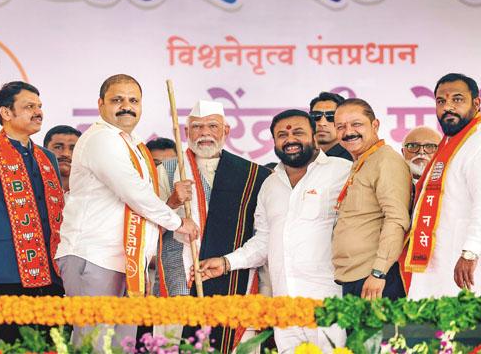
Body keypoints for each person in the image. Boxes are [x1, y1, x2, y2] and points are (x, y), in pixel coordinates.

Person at [54, 74, 198, 347]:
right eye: (117, 100)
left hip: (126, 263)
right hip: (94, 257)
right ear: (100, 104)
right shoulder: (101, 139)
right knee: (93, 345)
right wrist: (177, 222)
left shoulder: (134, 145)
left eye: (133, 100)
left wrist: (171, 204)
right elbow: (131, 190)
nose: (126, 106)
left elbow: (134, 204)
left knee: (121, 346)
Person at [196, 109, 351, 352]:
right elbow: (264, 241)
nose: (290, 140)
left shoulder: (342, 171)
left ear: (314, 136)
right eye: (282, 135)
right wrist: (227, 263)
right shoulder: (270, 184)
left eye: (298, 132)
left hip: (328, 302)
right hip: (284, 305)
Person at [157, 99, 271, 353]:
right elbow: (149, 225)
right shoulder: (168, 170)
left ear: (226, 131)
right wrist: (173, 201)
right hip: (182, 280)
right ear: (186, 132)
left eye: (212, 126)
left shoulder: (253, 175)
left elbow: (261, 234)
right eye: (197, 127)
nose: (205, 133)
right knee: (176, 343)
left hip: (233, 280)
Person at [0, 81, 65, 343]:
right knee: (5, 346)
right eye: (29, 106)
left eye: (39, 106)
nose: (38, 112)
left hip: (50, 277)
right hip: (3, 275)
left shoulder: (47, 158)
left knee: (49, 347)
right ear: (6, 113)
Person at [403, 73, 481, 299]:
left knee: (465, 332)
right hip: (439, 266)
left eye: (458, 99)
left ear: (477, 103)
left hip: (468, 269)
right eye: (441, 101)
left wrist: (470, 252)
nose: (448, 107)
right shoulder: (451, 144)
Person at [332, 98, 411, 300]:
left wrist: (379, 272)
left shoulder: (386, 161)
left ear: (375, 125)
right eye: (341, 126)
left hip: (375, 279)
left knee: (378, 333)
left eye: (356, 124)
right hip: (357, 276)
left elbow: (396, 219)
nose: (348, 131)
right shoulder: (363, 161)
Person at [309, 92, 352, 161]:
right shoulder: (301, 156)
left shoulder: (353, 158)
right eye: (316, 116)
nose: (322, 123)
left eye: (331, 116)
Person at [43, 125, 82, 194]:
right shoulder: (31, 187)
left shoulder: (92, 192)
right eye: (58, 147)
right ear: (44, 150)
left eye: (73, 149)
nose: (66, 154)